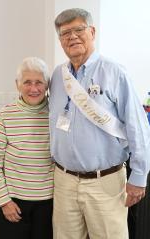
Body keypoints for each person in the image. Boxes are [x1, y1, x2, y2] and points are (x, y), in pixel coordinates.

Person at [49, 8, 150, 239]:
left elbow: (138, 128)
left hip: (105, 182)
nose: (72, 36)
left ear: (92, 32)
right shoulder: (57, 75)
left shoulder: (114, 72)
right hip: (64, 180)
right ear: (60, 40)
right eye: (65, 33)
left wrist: (139, 177)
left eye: (78, 29)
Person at [0, 57, 54, 239]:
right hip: (13, 201)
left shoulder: (55, 114)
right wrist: (4, 201)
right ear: (18, 85)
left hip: (49, 201)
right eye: (27, 82)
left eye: (39, 82)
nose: (34, 89)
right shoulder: (5, 115)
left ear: (47, 85)